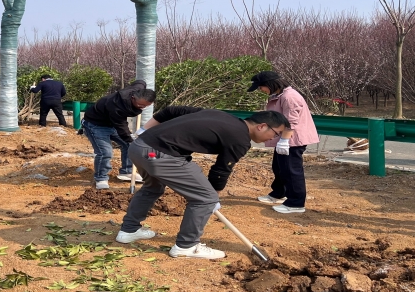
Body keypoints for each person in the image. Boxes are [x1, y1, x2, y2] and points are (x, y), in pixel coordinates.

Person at [116, 107, 290, 259]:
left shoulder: (220, 115)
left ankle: (129, 231)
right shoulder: (240, 138)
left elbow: (173, 110)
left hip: (140, 147)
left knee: (152, 187)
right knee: (205, 198)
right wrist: (211, 198)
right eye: (275, 134)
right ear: (262, 126)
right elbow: (221, 170)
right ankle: (186, 246)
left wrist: (143, 129)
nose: (272, 139)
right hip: (160, 155)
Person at [247, 71, 320, 214]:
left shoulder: (290, 97)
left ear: (270, 84)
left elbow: (291, 121)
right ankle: (279, 192)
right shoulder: (280, 95)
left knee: (291, 170)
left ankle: (296, 203)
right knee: (279, 167)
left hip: (292, 139)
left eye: (262, 87)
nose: (261, 90)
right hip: (284, 138)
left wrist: (285, 140)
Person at [82, 80, 155, 189]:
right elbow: (121, 126)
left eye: (145, 106)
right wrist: (130, 139)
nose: (142, 107)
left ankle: (127, 171)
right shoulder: (116, 105)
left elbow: (140, 82)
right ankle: (101, 178)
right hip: (95, 124)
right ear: (133, 98)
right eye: (140, 105)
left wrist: (131, 141)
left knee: (129, 145)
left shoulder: (137, 90)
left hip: (111, 123)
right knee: (105, 152)